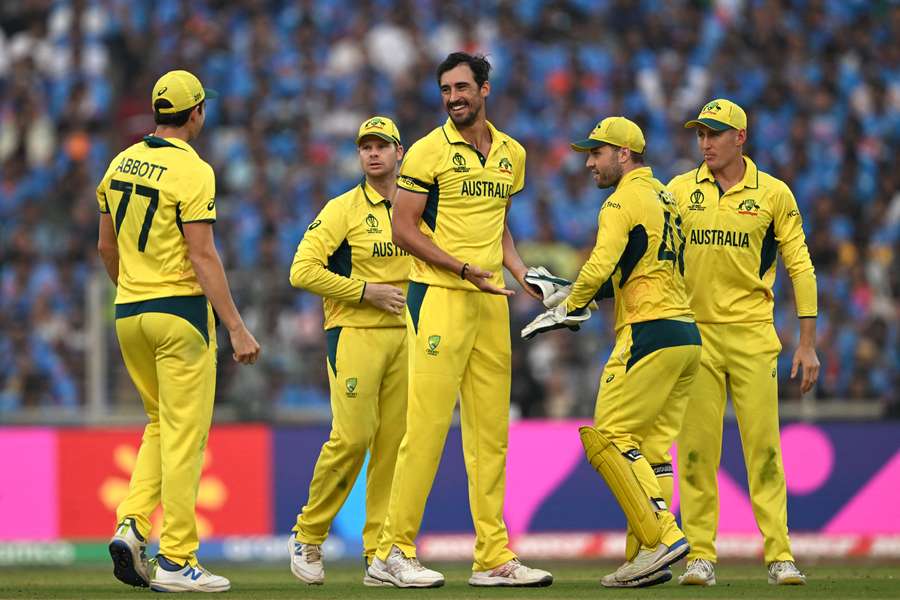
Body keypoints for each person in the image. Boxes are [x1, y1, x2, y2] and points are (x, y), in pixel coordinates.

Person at [365, 52, 552, 588]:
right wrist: (463, 268)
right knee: (423, 429)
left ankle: (493, 556)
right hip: (440, 295)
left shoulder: (512, 153)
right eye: (446, 89)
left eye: (462, 87)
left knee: (491, 435)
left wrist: (521, 273)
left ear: (485, 88)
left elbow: (499, 227)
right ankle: (392, 552)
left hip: (490, 299)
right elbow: (404, 229)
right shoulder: (425, 151)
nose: (454, 98)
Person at [98, 70, 260, 593]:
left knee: (160, 426)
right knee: (187, 438)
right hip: (179, 315)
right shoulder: (194, 170)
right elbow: (202, 253)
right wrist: (235, 327)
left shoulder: (119, 161)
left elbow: (106, 247)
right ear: (197, 114)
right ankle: (177, 560)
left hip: (128, 312)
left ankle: (131, 525)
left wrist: (134, 290)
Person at [525, 117, 701, 588]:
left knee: (609, 436)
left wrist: (571, 308)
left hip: (647, 332)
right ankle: (644, 559)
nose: (589, 163)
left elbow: (602, 262)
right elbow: (629, 268)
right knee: (653, 450)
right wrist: (571, 292)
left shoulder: (620, 200)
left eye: (597, 153)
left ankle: (662, 536)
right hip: (685, 335)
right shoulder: (665, 196)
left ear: (623, 154)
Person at [669, 99, 819, 586]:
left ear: (741, 138)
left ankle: (779, 555)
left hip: (754, 337)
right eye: (700, 134)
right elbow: (654, 258)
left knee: (764, 450)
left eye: (715, 133)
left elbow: (800, 264)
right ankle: (700, 556)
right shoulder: (677, 191)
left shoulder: (773, 194)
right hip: (695, 338)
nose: (705, 143)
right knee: (695, 452)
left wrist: (808, 341)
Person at [287, 116, 410, 586]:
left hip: (407, 336)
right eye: (366, 147)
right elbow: (301, 270)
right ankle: (309, 534)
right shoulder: (342, 209)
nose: (373, 153)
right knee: (354, 438)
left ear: (400, 152)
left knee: (393, 448)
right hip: (354, 331)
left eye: (382, 146)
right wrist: (365, 292)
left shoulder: (418, 205)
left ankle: (379, 557)